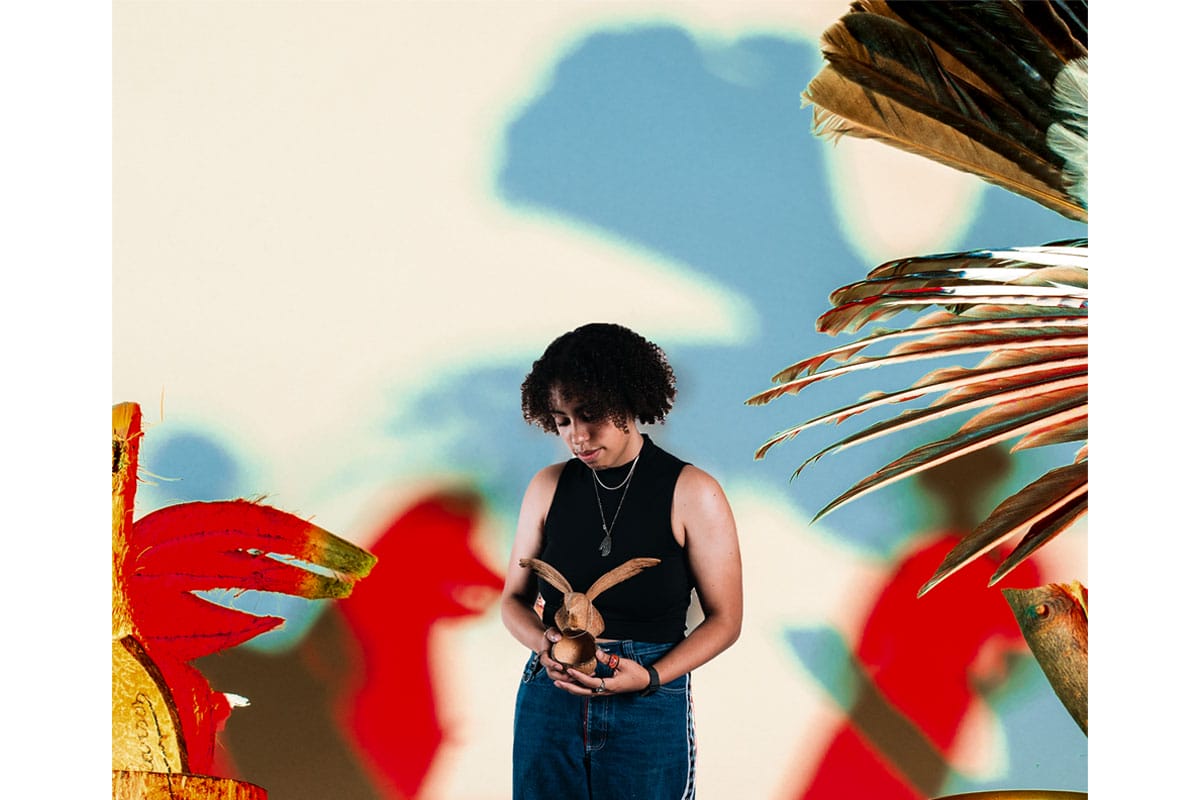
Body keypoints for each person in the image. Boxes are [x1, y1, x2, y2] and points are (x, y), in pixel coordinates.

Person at [500, 322, 743, 799]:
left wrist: (651, 676)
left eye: (589, 414)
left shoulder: (693, 491)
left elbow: (726, 619)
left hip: (646, 695)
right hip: (552, 691)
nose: (577, 436)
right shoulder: (547, 486)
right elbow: (512, 598)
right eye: (563, 419)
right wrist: (544, 646)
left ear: (628, 399)